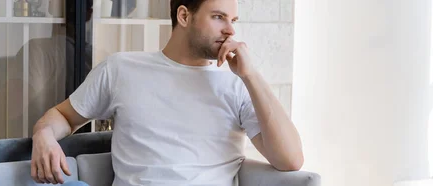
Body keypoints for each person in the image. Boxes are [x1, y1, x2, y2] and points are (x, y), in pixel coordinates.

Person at [30, 0, 304, 185]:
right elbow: (63, 117)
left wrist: (251, 75)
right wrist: (43, 134)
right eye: (218, 17)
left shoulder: (237, 85)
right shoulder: (122, 69)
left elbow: (290, 160)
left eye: (233, 20)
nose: (231, 30)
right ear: (184, 16)